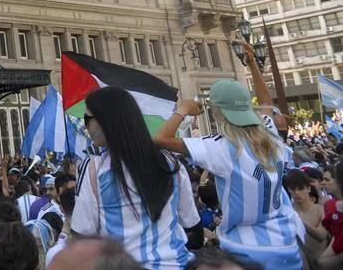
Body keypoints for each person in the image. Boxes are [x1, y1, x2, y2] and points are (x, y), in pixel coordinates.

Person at [154, 40, 301, 270]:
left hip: (244, 250)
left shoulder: (221, 147)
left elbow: (160, 139)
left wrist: (183, 110)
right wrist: (252, 65)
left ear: (217, 111)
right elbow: (265, 102)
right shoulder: (268, 132)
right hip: (285, 244)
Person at [73, 86, 200, 269]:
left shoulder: (93, 169)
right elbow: (191, 224)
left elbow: (82, 235)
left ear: (106, 121)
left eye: (87, 119)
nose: (86, 126)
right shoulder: (170, 163)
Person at [284, 169, 328, 261]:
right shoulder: (287, 214)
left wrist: (298, 219)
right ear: (288, 189)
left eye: (300, 188)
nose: (297, 193)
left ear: (308, 188)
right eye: (293, 189)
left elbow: (321, 235)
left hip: (321, 264)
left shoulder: (321, 210)